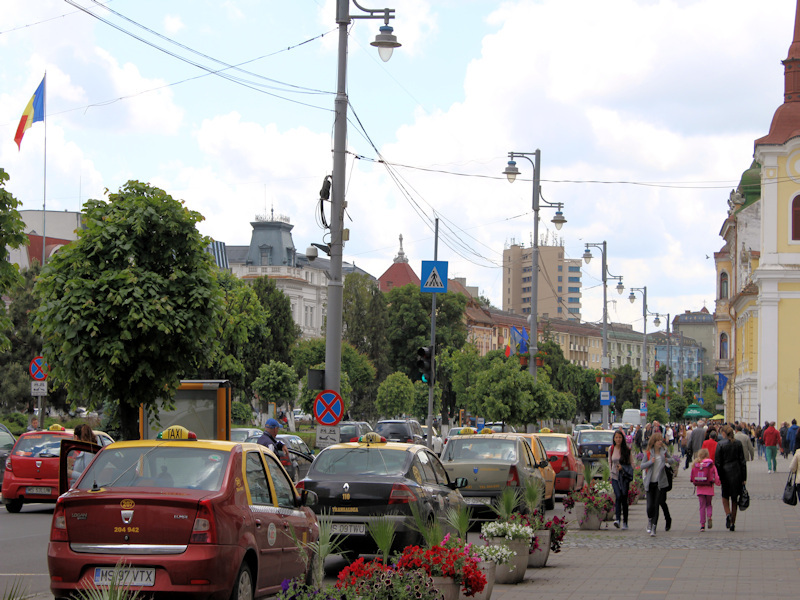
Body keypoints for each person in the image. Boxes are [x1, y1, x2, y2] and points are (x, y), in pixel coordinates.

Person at [641, 432, 677, 537]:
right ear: (654, 442)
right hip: (649, 483)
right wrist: (650, 462)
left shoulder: (664, 452)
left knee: (657, 504)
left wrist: (667, 460)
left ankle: (654, 527)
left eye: (661, 440)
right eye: (658, 440)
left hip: (660, 483)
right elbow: (642, 466)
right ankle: (650, 520)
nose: (660, 442)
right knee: (650, 506)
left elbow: (672, 460)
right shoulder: (648, 453)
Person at [715, 425, 747, 532]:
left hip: (725, 473)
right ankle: (733, 522)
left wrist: (719, 475)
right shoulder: (738, 443)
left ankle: (727, 514)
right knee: (734, 498)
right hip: (737, 473)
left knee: (725, 496)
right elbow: (742, 461)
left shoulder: (720, 444)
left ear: (724, 433)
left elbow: (718, 462)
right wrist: (744, 477)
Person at [690, 447, 721, 531]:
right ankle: (709, 516)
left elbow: (692, 477)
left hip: (700, 489)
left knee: (702, 506)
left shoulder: (696, 464)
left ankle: (702, 525)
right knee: (709, 504)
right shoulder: (711, 465)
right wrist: (718, 483)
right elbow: (716, 476)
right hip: (709, 488)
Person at [607, 429, 632, 530]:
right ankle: (617, 519)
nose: (618, 439)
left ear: (623, 439)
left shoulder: (626, 449)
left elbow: (632, 464)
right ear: (614, 439)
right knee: (618, 495)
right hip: (615, 477)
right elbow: (609, 461)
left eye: (620, 437)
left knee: (624, 497)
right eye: (616, 437)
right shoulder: (611, 449)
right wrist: (611, 472)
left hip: (624, 477)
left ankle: (625, 521)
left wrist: (624, 468)